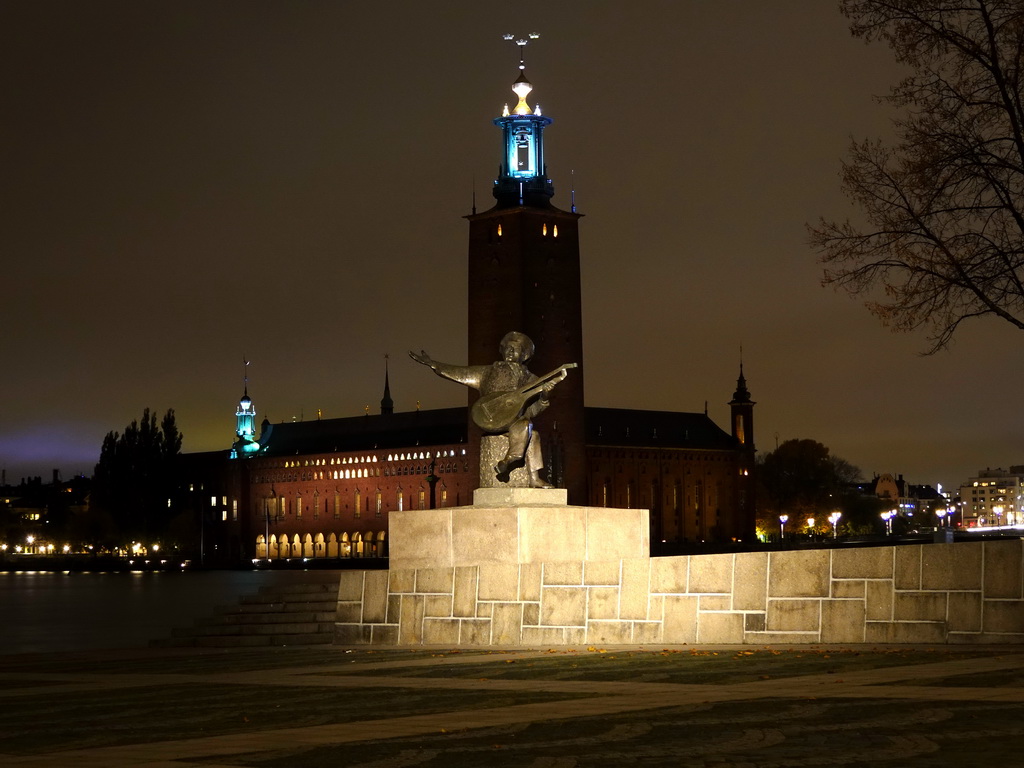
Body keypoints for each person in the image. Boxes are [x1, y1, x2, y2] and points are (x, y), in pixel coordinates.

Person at [409, 331, 570, 487]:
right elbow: (459, 372)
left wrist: (545, 396)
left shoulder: (532, 379)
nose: (510, 351)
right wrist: (434, 364)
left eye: (515, 349)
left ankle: (524, 472)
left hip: (514, 422)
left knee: (532, 433)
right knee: (527, 427)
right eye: (507, 347)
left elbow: (534, 410)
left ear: (524, 355)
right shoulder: (488, 372)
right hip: (490, 418)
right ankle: (514, 461)